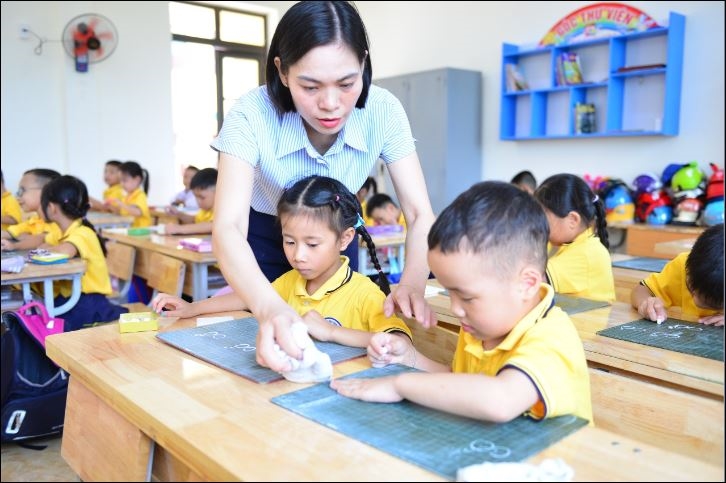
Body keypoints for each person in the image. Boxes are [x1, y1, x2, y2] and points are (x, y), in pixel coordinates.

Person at [209, 1, 436, 372]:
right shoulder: (251, 114)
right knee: (264, 360)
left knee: (343, 356)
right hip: (265, 238)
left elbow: (419, 212)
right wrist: (268, 307)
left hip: (334, 236)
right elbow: (228, 227)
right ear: (282, 71)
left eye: (346, 84)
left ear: (363, 64)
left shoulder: (384, 110)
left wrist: (412, 282)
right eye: (310, 86)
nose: (331, 104)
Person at [331, 181, 592, 425]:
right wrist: (410, 358)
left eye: (466, 297)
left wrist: (400, 385)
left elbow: (501, 399)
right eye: (450, 293)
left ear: (527, 284)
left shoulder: (552, 335)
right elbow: (459, 381)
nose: (455, 309)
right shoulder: (481, 327)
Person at [152, 175, 413, 352]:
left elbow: (398, 342)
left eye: (312, 244)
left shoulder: (365, 293)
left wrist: (332, 332)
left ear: (345, 238)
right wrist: (192, 308)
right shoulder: (291, 282)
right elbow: (245, 298)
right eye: (289, 242)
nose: (298, 255)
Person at [37, 175, 128, 331]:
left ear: (51, 208)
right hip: (75, 300)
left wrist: (44, 249)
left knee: (44, 323)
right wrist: (45, 247)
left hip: (88, 304)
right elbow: (45, 242)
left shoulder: (83, 232)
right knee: (39, 314)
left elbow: (66, 251)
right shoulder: (64, 231)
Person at [534, 173, 615, 302]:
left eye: (543, 219)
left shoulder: (587, 253)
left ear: (572, 220)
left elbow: (532, 281)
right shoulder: (564, 242)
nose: (538, 225)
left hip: (590, 316)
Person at [631, 223, 724, 326]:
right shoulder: (682, 266)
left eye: (711, 305)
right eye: (690, 288)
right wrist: (645, 303)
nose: (695, 300)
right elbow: (640, 290)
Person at [1, 168, 61, 251]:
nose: (18, 197)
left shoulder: (58, 222)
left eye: (22, 190)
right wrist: (20, 236)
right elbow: (11, 232)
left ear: (45, 191)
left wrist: (14, 246)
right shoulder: (34, 221)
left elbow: (40, 239)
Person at [163, 168, 217, 235]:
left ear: (217, 193)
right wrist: (178, 214)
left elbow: (212, 226)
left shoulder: (220, 210)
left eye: (202, 197)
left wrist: (179, 229)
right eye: (196, 196)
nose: (198, 201)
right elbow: (194, 220)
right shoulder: (204, 211)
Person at [105, 161, 151, 228]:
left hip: (141, 231)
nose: (121, 184)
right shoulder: (126, 196)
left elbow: (137, 212)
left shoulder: (140, 195)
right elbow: (122, 212)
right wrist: (110, 207)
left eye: (124, 180)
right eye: (120, 180)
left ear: (137, 180)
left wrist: (120, 203)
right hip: (130, 230)